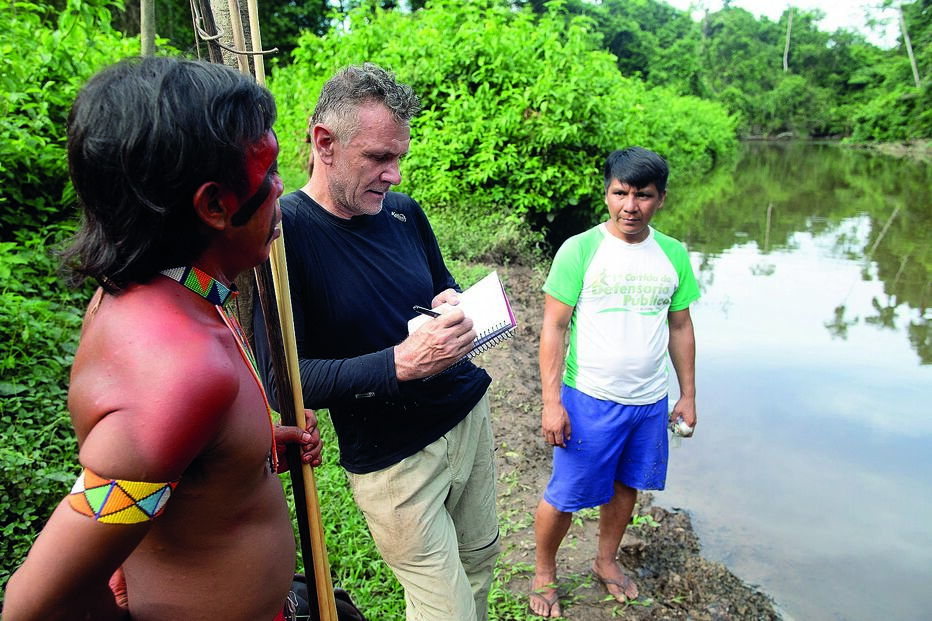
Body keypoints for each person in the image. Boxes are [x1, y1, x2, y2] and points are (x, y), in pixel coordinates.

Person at [1, 56, 323, 621]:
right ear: (215, 205)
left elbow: (170, 464)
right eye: (268, 172)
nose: (281, 189)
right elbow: (34, 604)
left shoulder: (166, 289)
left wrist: (251, 445)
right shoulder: (181, 376)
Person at [252, 62, 500, 621]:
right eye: (379, 158)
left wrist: (450, 302)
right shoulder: (283, 235)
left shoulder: (404, 213)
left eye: (398, 159)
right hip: (395, 460)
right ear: (325, 142)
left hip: (466, 416)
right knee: (446, 609)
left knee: (480, 563)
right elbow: (281, 380)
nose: (393, 174)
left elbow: (441, 282)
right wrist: (399, 365)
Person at [529, 147, 699, 618]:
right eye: (620, 193)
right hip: (589, 399)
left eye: (642, 195)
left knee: (628, 487)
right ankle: (544, 572)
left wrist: (687, 394)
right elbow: (554, 327)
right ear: (606, 193)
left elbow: (680, 327)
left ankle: (605, 560)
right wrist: (551, 401)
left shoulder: (673, 255)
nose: (630, 206)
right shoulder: (580, 250)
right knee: (565, 493)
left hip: (649, 402)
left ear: (660, 199)